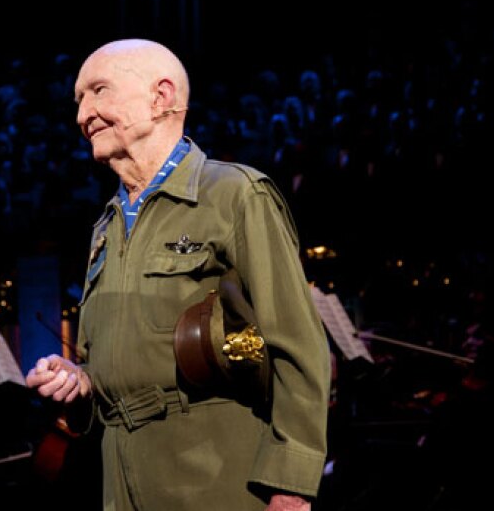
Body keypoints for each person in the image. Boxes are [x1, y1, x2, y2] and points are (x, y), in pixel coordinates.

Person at [26, 39, 331, 511]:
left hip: (217, 477)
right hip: (121, 482)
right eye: (79, 100)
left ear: (161, 97)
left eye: (98, 91)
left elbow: (299, 346)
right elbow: (106, 362)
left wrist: (290, 486)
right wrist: (79, 381)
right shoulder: (105, 226)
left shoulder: (235, 194)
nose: (83, 114)